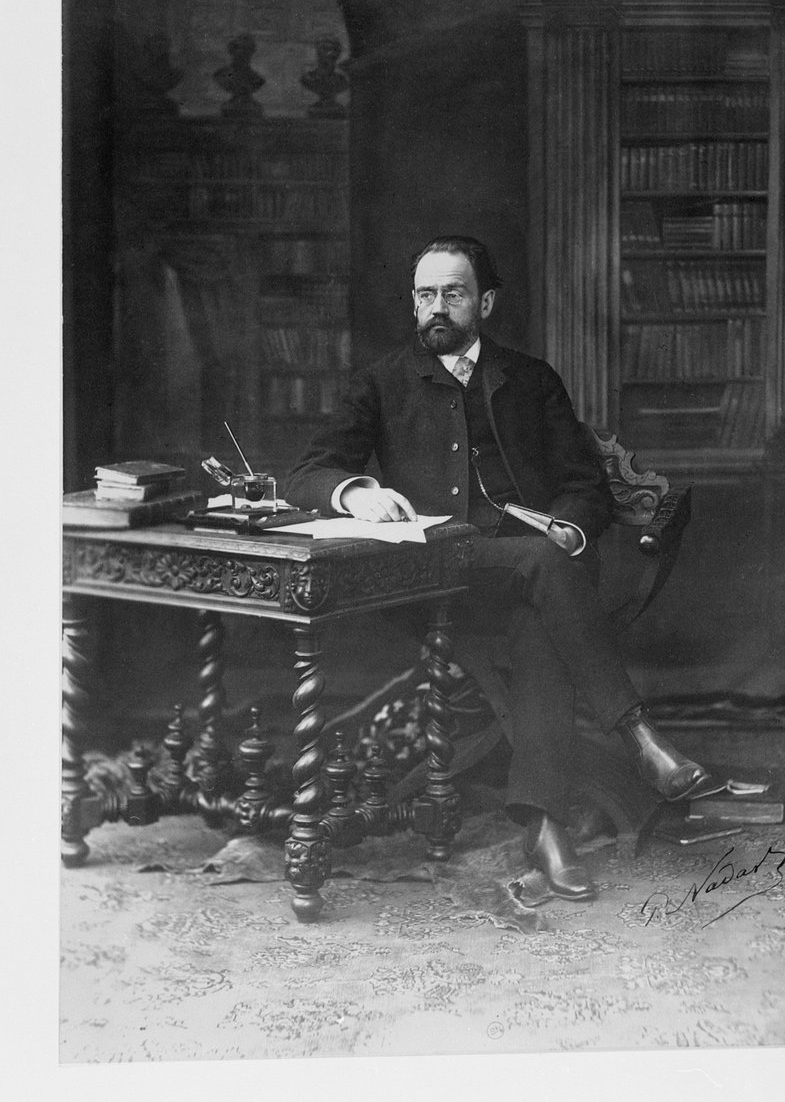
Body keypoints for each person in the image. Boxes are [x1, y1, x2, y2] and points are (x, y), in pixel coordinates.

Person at [285, 235, 708, 901]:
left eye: (452, 293)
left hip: (539, 578)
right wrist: (356, 492)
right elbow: (307, 472)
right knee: (543, 570)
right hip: (440, 579)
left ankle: (544, 829)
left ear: (483, 301)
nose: (436, 308)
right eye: (424, 295)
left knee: (538, 612)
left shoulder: (531, 379)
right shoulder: (380, 383)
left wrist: (570, 521)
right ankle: (635, 734)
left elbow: (582, 486)